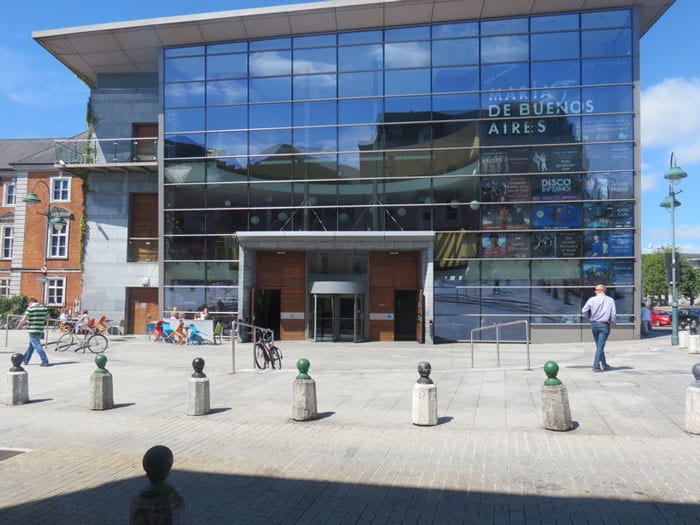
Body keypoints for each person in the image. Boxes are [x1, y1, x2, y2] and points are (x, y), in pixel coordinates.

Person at [581, 284, 616, 372]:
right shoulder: (610, 300)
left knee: (599, 345)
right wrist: (612, 322)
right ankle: (596, 365)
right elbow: (613, 313)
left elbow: (584, 310)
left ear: (601, 290)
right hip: (604, 324)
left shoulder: (592, 299)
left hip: (594, 324)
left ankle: (604, 364)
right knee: (600, 345)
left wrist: (589, 318)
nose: (595, 291)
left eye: (596, 290)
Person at [17, 297, 51, 367]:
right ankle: (25, 360)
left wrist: (19, 325)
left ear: (30, 303)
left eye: (28, 304)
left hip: (32, 329)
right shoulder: (44, 308)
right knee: (32, 346)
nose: (28, 305)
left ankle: (45, 360)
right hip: (40, 329)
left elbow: (24, 318)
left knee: (37, 345)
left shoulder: (30, 308)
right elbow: (48, 317)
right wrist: (41, 319)